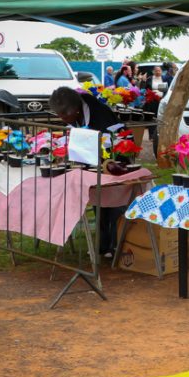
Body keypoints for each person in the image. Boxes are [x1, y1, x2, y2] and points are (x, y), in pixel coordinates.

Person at [49, 87, 124, 256]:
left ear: (75, 110)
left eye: (65, 116)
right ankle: (103, 245)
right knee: (99, 201)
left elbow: (110, 142)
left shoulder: (99, 113)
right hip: (94, 160)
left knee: (113, 202)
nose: (63, 120)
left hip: (114, 158)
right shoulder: (77, 110)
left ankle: (115, 244)